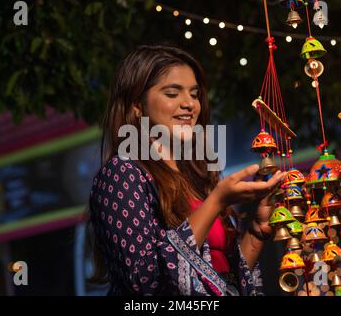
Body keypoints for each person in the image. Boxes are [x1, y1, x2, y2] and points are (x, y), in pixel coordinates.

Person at [88, 44, 286, 296]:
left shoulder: (198, 177)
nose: (189, 104)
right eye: (172, 94)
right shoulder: (121, 174)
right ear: (137, 105)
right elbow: (143, 281)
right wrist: (216, 202)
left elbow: (223, 280)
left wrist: (258, 230)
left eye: (194, 94)